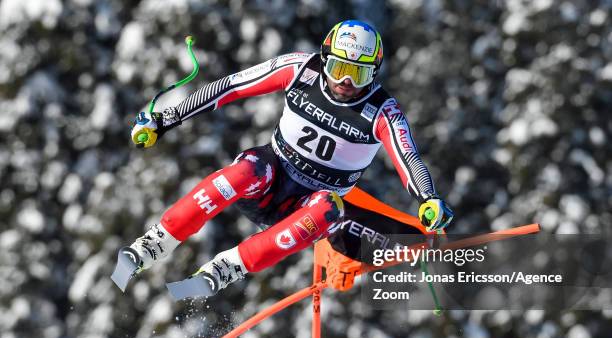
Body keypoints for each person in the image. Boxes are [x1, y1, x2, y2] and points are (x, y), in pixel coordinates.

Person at [124, 19, 454, 299]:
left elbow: (408, 157)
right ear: (325, 59)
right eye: (338, 69)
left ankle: (230, 267)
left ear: (374, 73)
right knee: (247, 171)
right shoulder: (300, 69)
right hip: (271, 176)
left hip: (306, 204)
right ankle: (157, 241)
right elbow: (230, 87)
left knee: (329, 208)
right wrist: (166, 119)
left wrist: (428, 198)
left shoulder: (382, 111)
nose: (345, 83)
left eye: (358, 74)